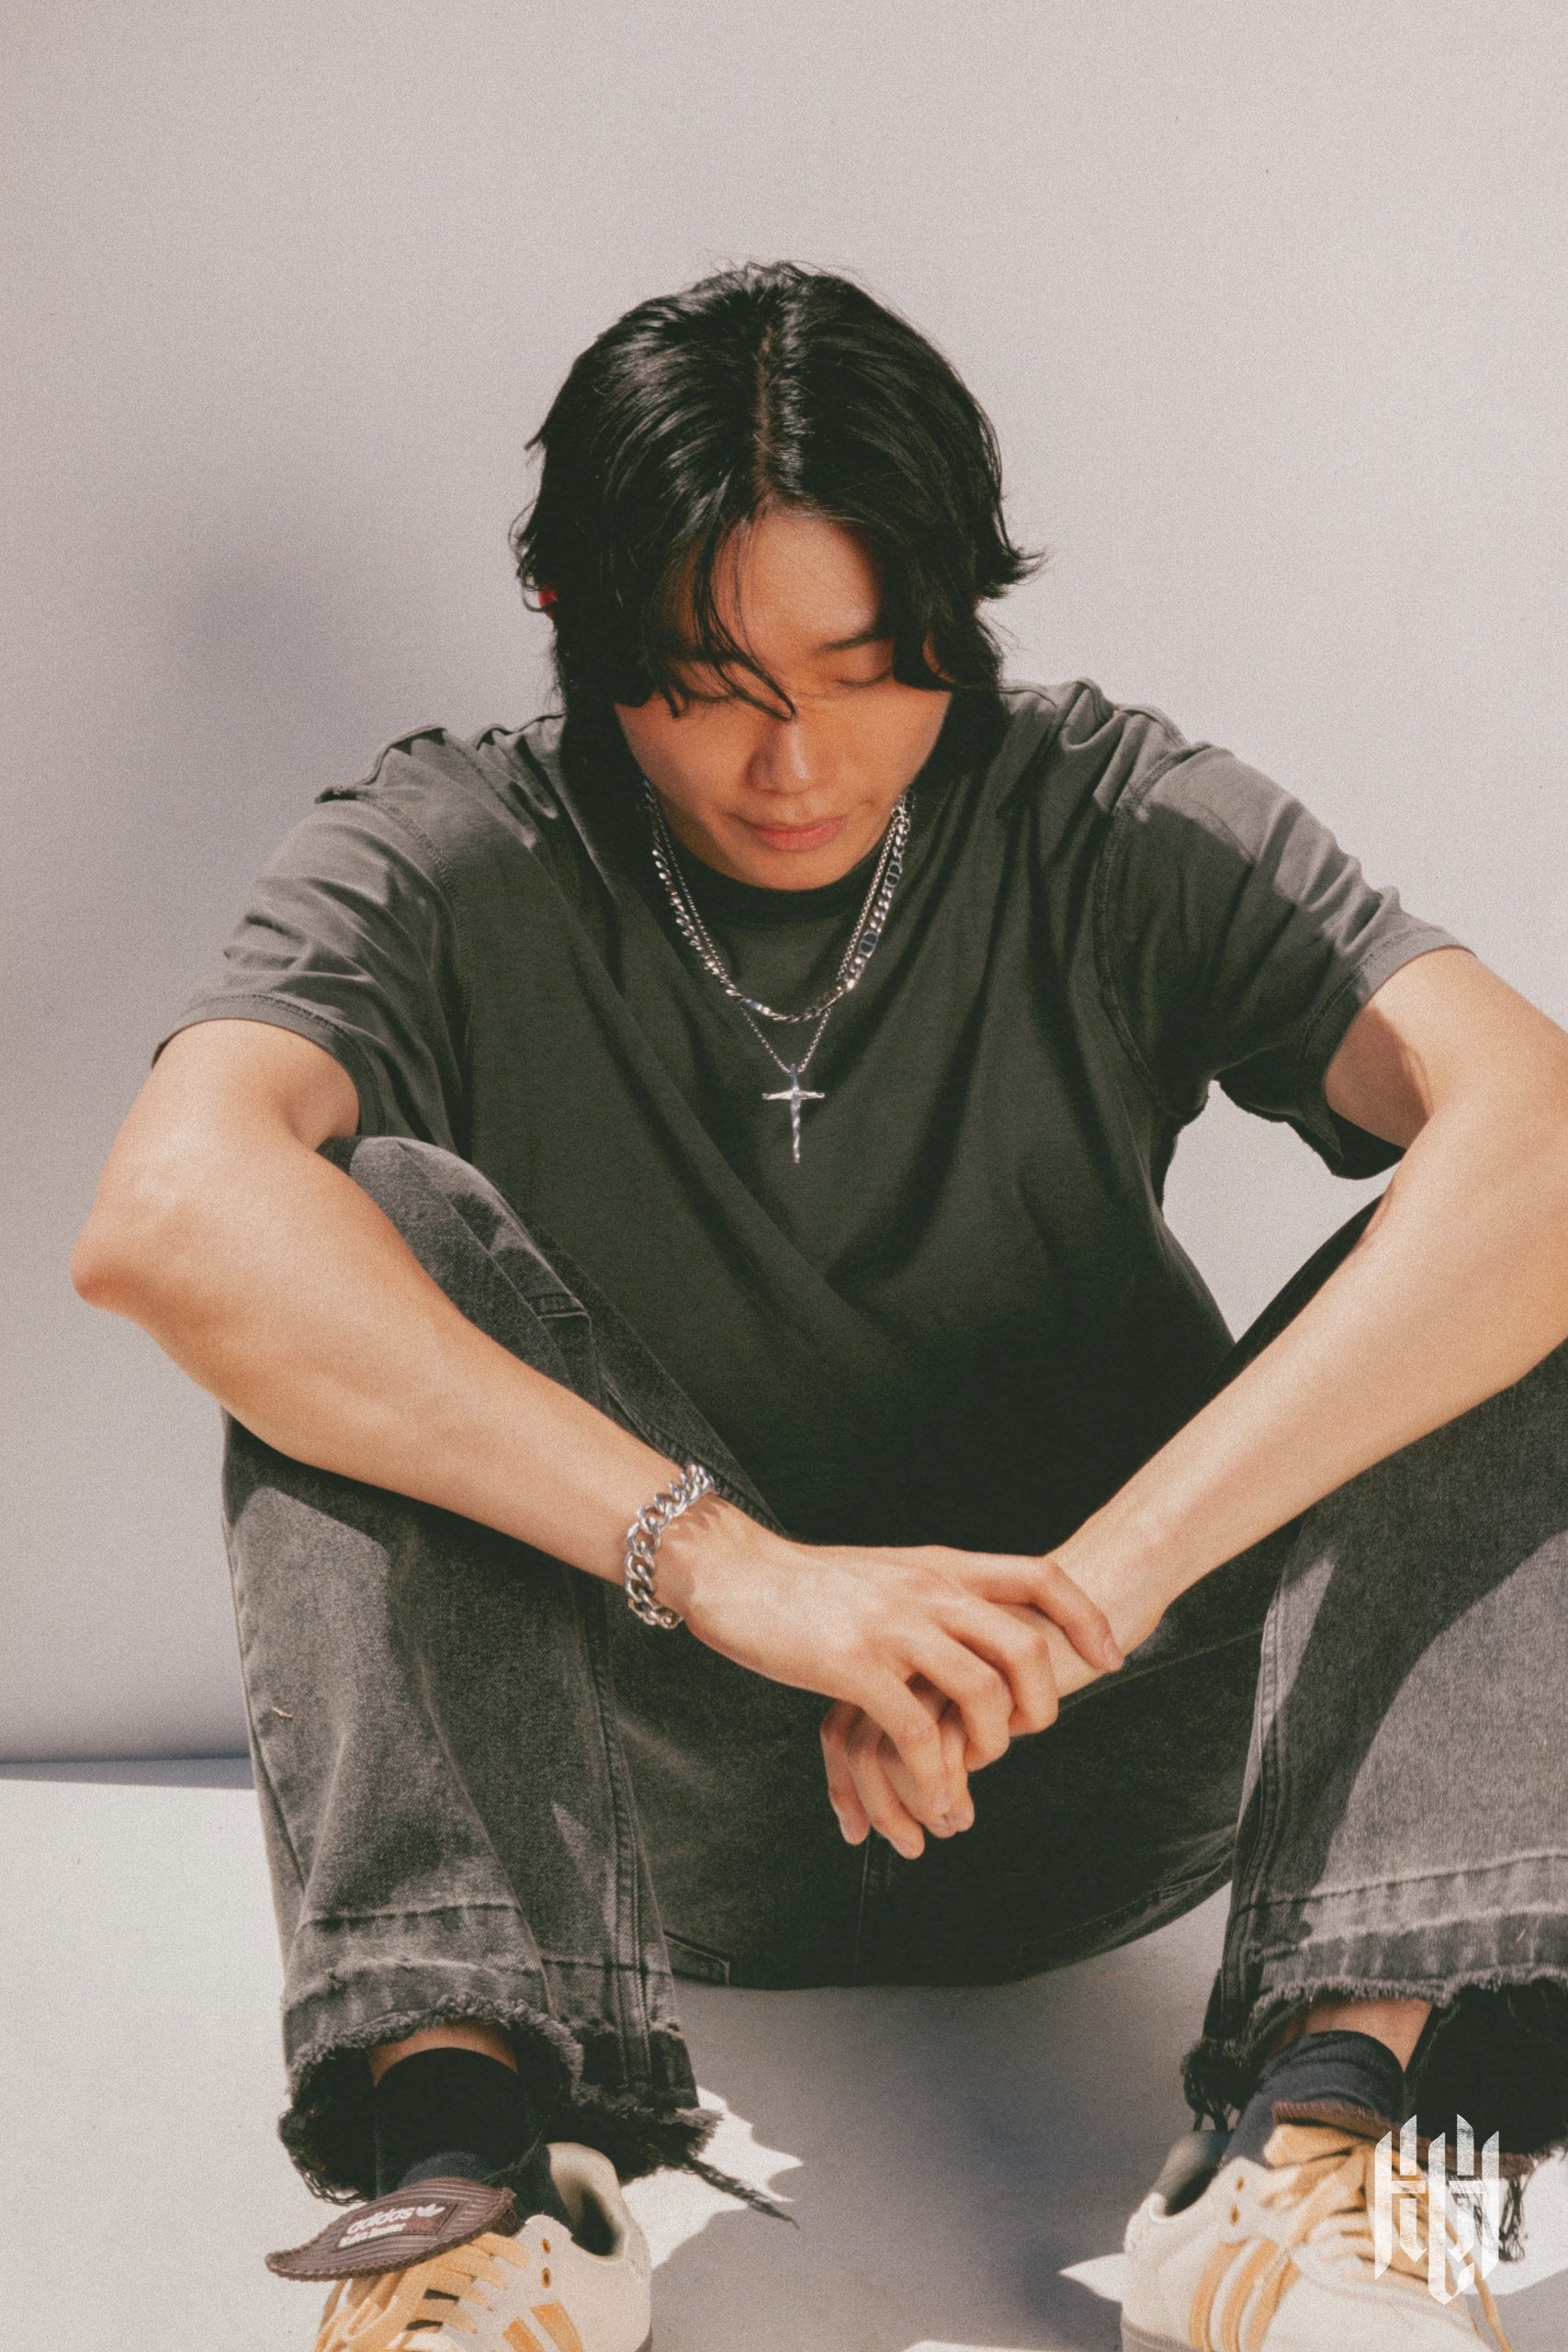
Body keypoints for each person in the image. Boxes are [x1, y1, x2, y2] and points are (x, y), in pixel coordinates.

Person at [72, 259, 1568, 2352]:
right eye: (704, 684)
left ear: (960, 616)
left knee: (1509, 1259)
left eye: (869, 672)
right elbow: (166, 1212)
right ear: (576, 628)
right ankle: (486, 2178)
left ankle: (1316, 2152)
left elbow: (1540, 1135)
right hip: (646, 1794)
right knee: (346, 1229)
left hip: (1126, 1738)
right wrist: (745, 1575)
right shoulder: (452, 851)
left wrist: (1086, 1595)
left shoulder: (1108, 817)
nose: (792, 761)